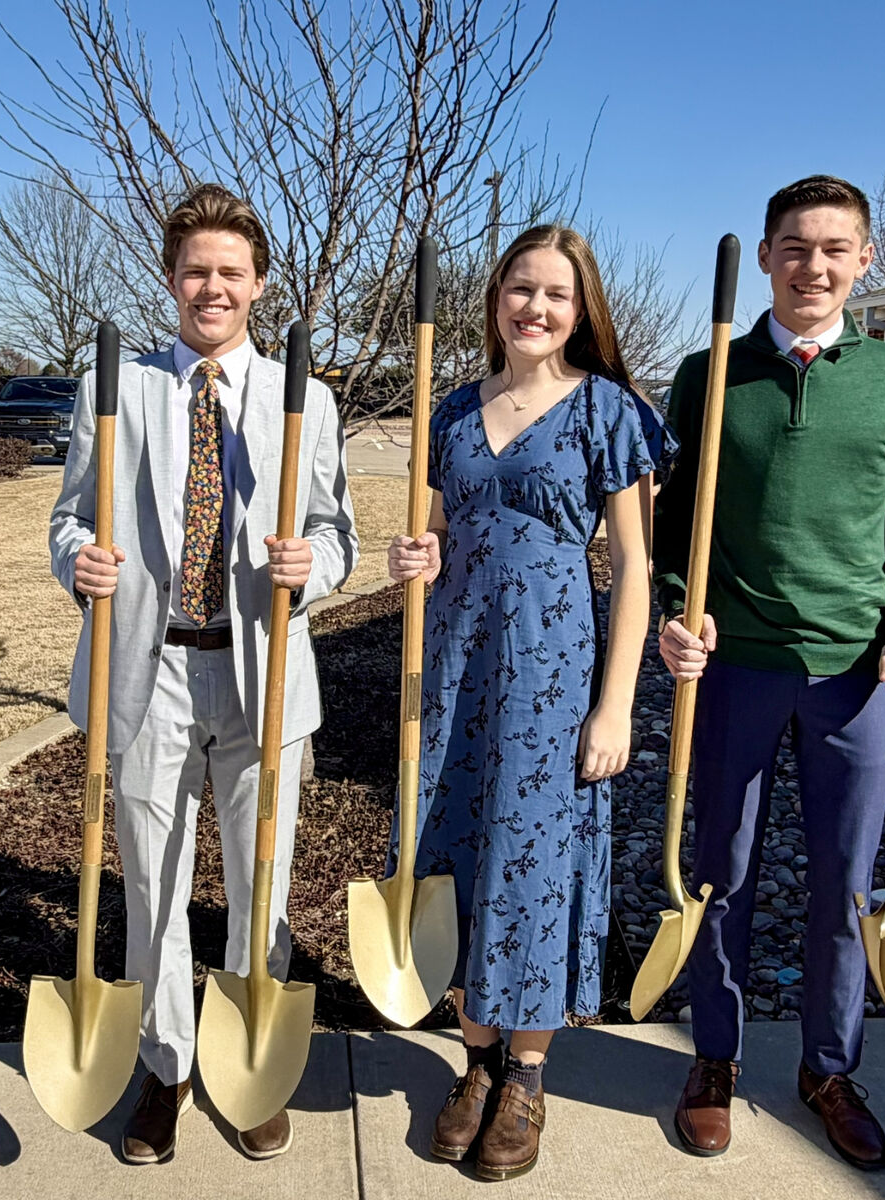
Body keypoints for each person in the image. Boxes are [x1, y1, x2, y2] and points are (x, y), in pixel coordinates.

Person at [49, 183, 357, 1164]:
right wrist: (77, 561)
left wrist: (316, 565)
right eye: (195, 271)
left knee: (262, 882)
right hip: (151, 671)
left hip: (263, 672)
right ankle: (167, 1065)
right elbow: (69, 518)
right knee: (153, 882)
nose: (211, 288)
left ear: (258, 283)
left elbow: (338, 533)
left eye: (230, 272)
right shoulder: (120, 389)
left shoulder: (303, 398)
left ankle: (247, 1060)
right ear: (170, 278)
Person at [653, 175, 885, 1172]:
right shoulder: (709, 372)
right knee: (719, 873)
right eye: (793, 246)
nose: (812, 267)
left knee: (845, 886)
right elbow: (672, 525)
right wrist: (675, 611)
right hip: (735, 666)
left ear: (864, 260)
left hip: (854, 675)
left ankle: (828, 1069)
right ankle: (715, 1058)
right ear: (767, 255)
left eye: (832, 248)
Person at [388, 224, 676, 1181]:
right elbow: (431, 536)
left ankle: (525, 1075)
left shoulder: (609, 411)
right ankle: (473, 1061)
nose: (535, 308)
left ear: (580, 310)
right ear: (495, 299)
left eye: (556, 293)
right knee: (455, 852)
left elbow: (633, 568)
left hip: (553, 680)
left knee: (536, 866)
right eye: (520, 289)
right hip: (454, 673)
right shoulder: (451, 411)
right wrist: (411, 556)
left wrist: (614, 705)